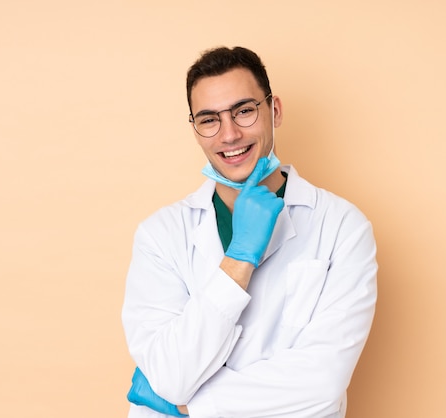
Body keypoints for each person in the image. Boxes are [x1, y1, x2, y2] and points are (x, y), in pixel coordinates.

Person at [122, 46, 377, 418]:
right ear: (195, 130)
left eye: (243, 111)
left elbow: (322, 385)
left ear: (273, 111)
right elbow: (170, 376)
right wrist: (239, 257)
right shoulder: (160, 235)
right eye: (209, 119)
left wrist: (187, 406)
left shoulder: (342, 227)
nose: (229, 134)